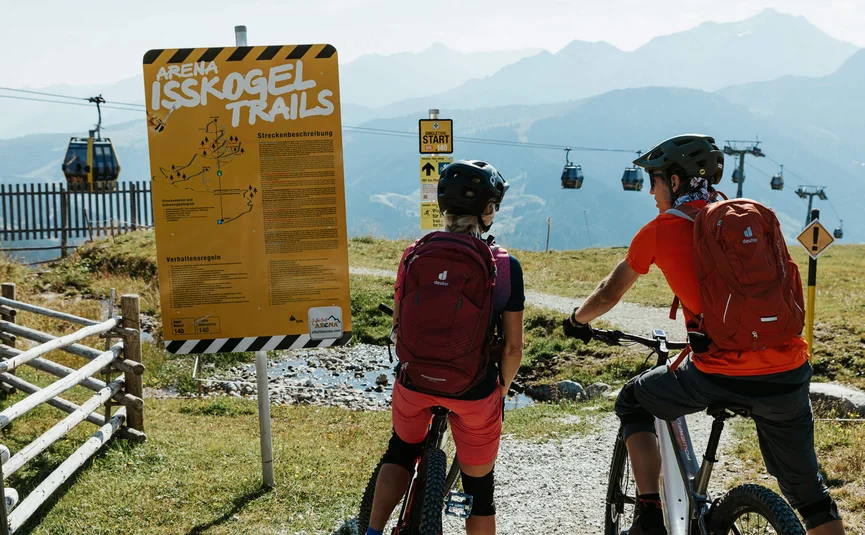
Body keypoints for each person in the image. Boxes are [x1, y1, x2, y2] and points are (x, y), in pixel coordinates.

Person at [563, 134, 844, 535]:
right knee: (811, 496)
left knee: (633, 402)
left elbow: (609, 293)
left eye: (654, 181)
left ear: (675, 182)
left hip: (718, 373)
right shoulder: (744, 222)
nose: (651, 192)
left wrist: (576, 320)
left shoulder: (660, 230)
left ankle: (648, 518)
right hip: (787, 371)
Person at [365, 160, 525, 535]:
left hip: (415, 383)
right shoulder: (505, 265)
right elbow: (514, 348)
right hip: (474, 391)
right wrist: (499, 389)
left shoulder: (414, 253)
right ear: (488, 210)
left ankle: (372, 531)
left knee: (400, 452)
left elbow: (398, 325)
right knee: (480, 489)